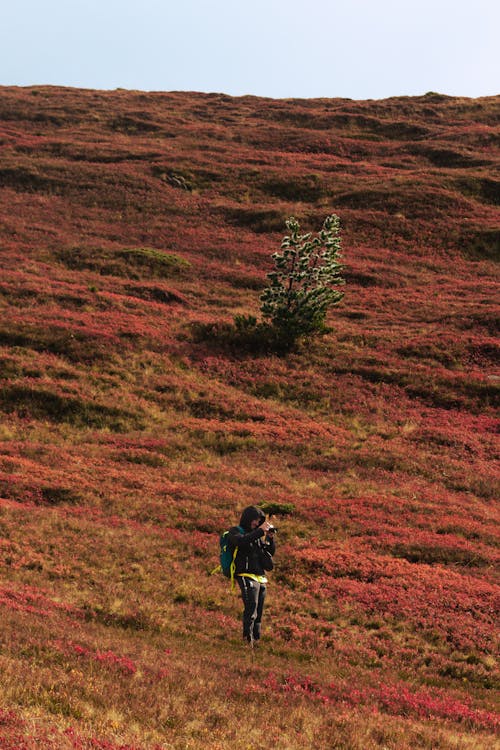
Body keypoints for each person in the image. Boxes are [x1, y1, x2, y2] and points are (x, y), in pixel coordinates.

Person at [228, 506, 276, 647]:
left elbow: (269, 553)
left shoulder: (257, 537)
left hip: (260, 578)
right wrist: (260, 531)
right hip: (245, 575)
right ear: (248, 519)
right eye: (255, 520)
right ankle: (247, 640)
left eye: (258, 521)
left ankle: (256, 640)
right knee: (251, 607)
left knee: (259, 611)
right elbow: (240, 541)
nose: (256, 523)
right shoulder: (235, 531)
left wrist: (270, 538)